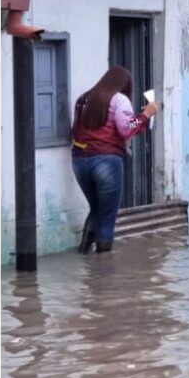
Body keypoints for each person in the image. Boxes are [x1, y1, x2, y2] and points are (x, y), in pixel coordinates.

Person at [71, 66, 159, 254]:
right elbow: (126, 129)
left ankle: (83, 252)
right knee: (108, 214)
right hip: (106, 161)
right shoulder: (119, 100)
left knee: (96, 208)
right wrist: (145, 115)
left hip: (79, 161)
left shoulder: (83, 99)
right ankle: (103, 267)